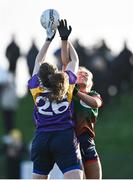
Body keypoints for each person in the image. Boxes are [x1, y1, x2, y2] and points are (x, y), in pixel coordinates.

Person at [28, 20, 83, 179]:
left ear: (40, 77)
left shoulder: (35, 87)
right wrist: (65, 38)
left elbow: (38, 61)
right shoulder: (66, 85)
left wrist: (48, 39)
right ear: (56, 73)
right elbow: (74, 61)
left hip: (41, 139)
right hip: (64, 136)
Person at [59, 19, 102, 179]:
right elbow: (66, 63)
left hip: (88, 143)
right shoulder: (69, 92)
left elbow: (95, 103)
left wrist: (76, 92)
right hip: (71, 142)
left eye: (86, 74)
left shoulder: (93, 94)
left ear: (91, 83)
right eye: (80, 73)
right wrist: (65, 41)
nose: (82, 74)